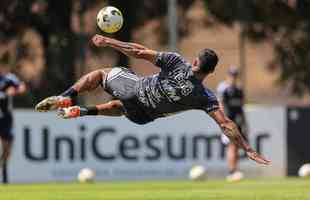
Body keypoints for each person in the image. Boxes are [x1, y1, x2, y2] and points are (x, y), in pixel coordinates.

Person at [35, 34, 270, 166]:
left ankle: (67, 98)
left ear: (196, 63)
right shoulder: (205, 97)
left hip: (136, 90)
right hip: (144, 117)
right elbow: (226, 124)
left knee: (100, 74)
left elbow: (138, 52)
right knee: (121, 108)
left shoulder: (177, 62)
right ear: (210, 72)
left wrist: (110, 42)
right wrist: (248, 148)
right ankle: (82, 111)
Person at [217, 67, 247, 182]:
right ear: (228, 76)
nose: (233, 78)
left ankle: (234, 170)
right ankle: (232, 171)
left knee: (236, 147)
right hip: (228, 123)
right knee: (232, 146)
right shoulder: (224, 90)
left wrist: (245, 123)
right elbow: (221, 106)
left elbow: (242, 108)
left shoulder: (239, 91)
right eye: (231, 75)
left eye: (235, 76)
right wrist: (223, 122)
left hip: (238, 123)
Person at [0, 63, 26, 184]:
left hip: (6, 118)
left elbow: (22, 87)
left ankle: (3, 168)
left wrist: (14, 90)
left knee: (7, 149)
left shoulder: (9, 78)